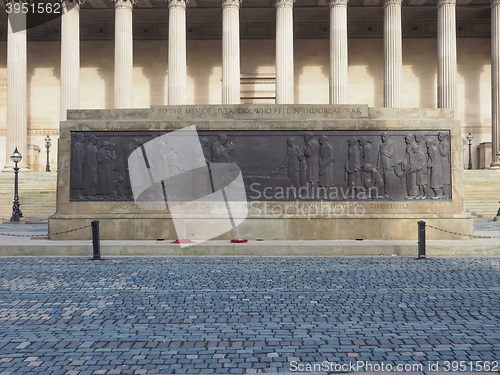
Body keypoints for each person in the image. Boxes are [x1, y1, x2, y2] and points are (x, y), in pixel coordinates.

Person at [377, 132, 395, 198]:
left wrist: (384, 152)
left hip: (387, 164)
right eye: (382, 137)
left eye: (384, 137)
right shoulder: (381, 145)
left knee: (387, 179)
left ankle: (388, 193)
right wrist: (378, 164)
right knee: (380, 179)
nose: (383, 138)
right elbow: (379, 155)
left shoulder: (391, 143)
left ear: (387, 137)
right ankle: (381, 193)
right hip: (381, 164)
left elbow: (390, 154)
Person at [71, 133, 85, 199]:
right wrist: (78, 166)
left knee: (80, 180)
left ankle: (79, 194)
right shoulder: (77, 145)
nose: (83, 139)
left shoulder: (81, 144)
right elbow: (77, 156)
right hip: (77, 166)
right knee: (77, 181)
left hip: (80, 165)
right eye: (82, 137)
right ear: (79, 138)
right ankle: (76, 195)